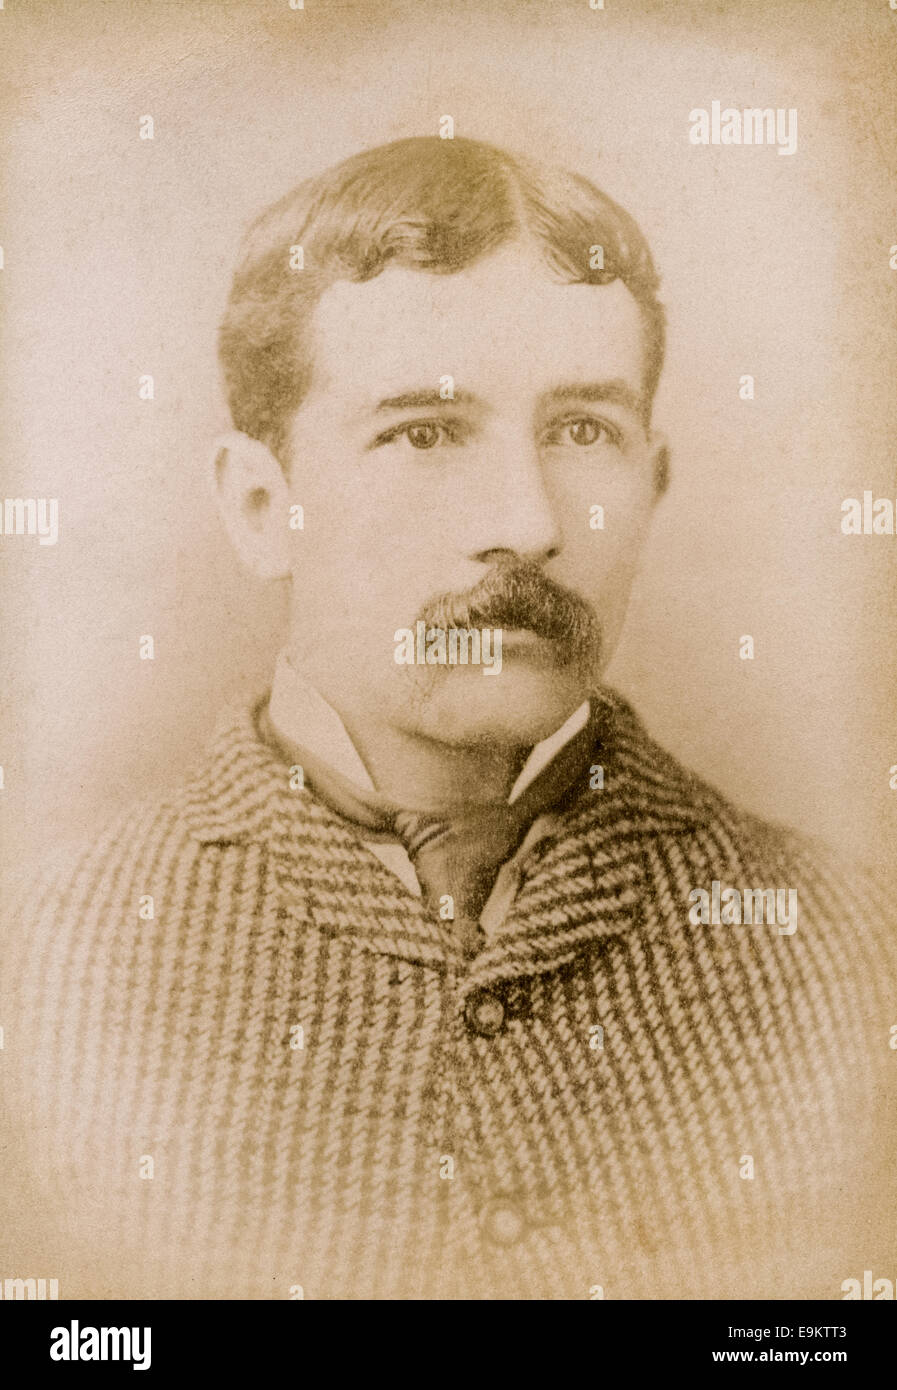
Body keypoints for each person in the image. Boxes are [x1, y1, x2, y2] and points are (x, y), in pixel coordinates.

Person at [3, 135, 895, 1300]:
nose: (527, 523)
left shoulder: (858, 955)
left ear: (653, 483)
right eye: (424, 433)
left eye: (584, 431)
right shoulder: (41, 969)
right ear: (265, 507)